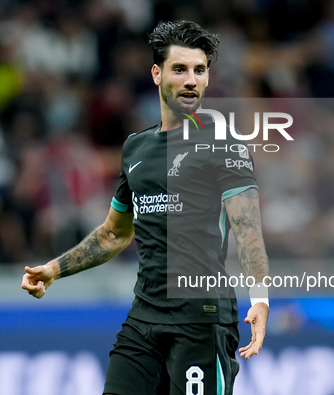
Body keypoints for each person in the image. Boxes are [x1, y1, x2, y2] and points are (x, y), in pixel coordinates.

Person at [22, 20, 270, 395]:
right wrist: (54, 269)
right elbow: (113, 234)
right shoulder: (136, 149)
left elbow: (247, 227)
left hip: (200, 322)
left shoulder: (224, 144)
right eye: (180, 69)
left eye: (199, 71)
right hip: (144, 319)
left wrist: (261, 299)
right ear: (157, 74)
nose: (191, 80)